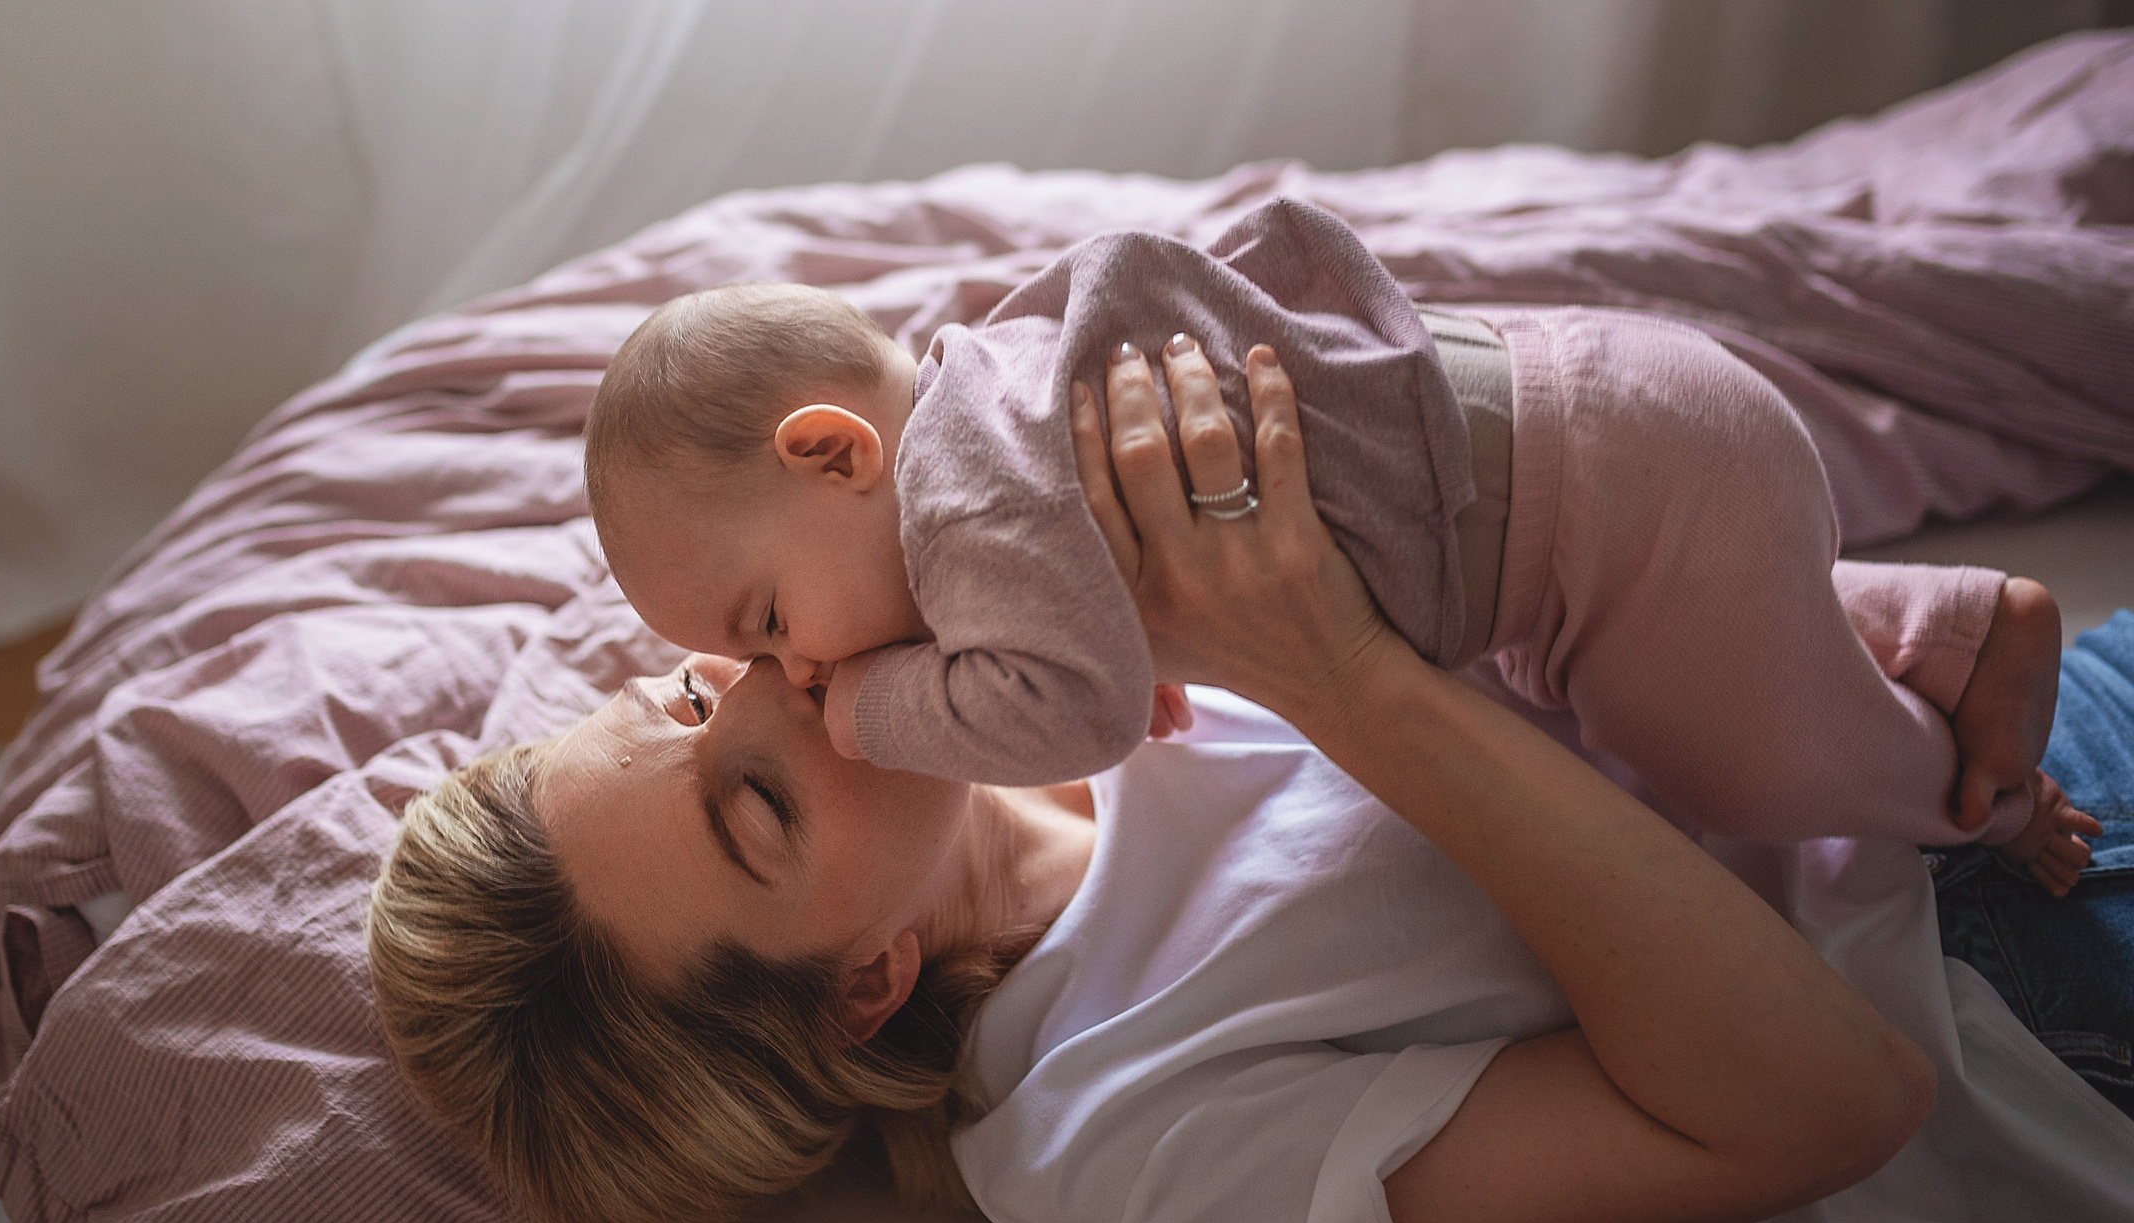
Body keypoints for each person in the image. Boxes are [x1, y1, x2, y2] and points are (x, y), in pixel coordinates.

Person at [369, 342, 2134, 1223]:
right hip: (2029, 1011)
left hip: (1980, 729)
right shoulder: (1127, 1170)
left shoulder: (1024, 644)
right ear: (864, 979)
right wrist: (1332, 669)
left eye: (688, 689)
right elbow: (1830, 1099)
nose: (780, 682)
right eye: (754, 804)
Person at [581, 200, 2097, 887]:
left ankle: (1979, 797)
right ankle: (1945, 623)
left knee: (1747, 769)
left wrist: (872, 707)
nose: (795, 664)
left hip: (1603, 512)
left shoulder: (966, 499)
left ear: (837, 452)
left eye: (768, 613)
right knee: (1743, 633)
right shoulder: (990, 397)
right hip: (1611, 426)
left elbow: (1081, 707)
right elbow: (1106, 628)